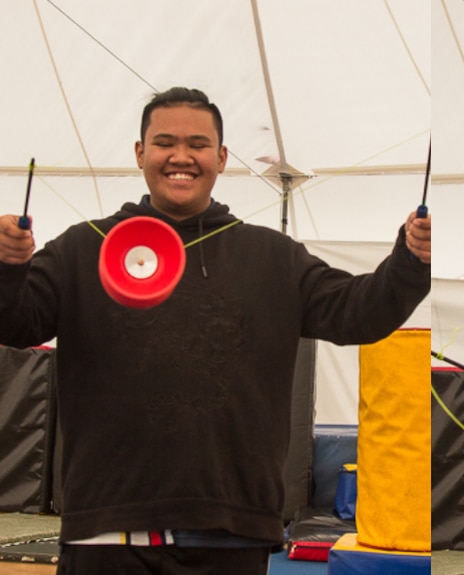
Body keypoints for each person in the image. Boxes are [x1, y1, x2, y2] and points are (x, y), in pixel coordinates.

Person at [0, 87, 431, 574]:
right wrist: (7, 268)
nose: (180, 157)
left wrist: (412, 259)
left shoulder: (273, 257)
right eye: (164, 142)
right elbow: (16, 324)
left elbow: (360, 312)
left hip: (232, 534)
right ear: (140, 153)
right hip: (107, 531)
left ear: (222, 158)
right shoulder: (85, 247)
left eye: (198, 145)